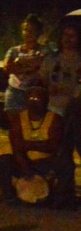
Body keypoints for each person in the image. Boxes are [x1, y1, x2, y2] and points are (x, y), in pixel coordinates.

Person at [0, 80, 74, 208]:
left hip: (47, 162)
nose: (34, 101)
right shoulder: (17, 119)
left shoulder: (55, 119)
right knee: (3, 161)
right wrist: (25, 167)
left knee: (66, 163)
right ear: (26, 100)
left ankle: (61, 199)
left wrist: (26, 145)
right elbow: (17, 148)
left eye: (38, 97)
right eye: (31, 97)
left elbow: (52, 146)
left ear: (46, 100)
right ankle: (9, 197)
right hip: (24, 161)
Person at [42, 21, 81, 163]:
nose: (67, 39)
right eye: (65, 35)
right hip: (54, 110)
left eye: (72, 36)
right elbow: (42, 79)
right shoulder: (52, 59)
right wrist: (48, 87)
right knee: (60, 149)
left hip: (76, 112)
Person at [3, 14, 47, 113]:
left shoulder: (44, 51)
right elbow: (7, 68)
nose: (28, 33)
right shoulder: (13, 50)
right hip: (15, 91)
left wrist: (19, 62)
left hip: (35, 93)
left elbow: (39, 63)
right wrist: (28, 66)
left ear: (38, 32)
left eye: (32, 30)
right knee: (14, 124)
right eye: (25, 30)